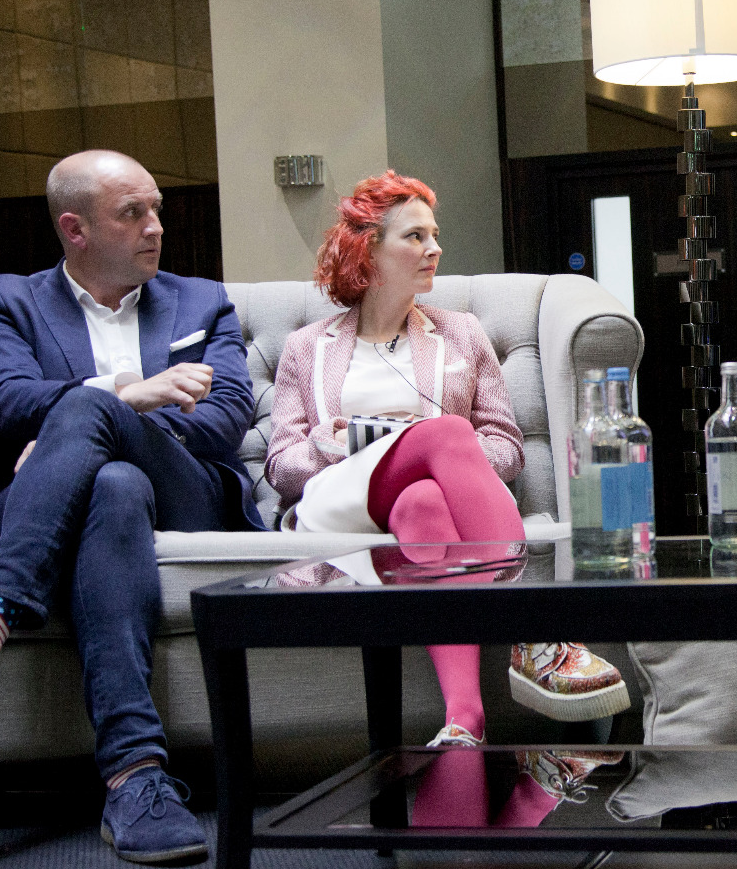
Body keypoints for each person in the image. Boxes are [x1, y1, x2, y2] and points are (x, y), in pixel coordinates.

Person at [0, 150, 263, 865]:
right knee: (113, 484)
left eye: (157, 210)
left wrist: (98, 418)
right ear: (75, 228)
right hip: (91, 503)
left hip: (186, 490)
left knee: (91, 419)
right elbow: (4, 400)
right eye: (132, 213)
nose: (155, 227)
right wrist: (128, 397)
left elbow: (225, 418)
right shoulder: (9, 300)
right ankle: (135, 777)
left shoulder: (200, 300)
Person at [266, 170, 630, 753]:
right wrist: (337, 445)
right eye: (415, 236)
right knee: (446, 432)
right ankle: (534, 634)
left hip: (430, 498)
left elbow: (506, 444)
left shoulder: (461, 334)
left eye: (434, 235)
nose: (434, 248)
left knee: (426, 500)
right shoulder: (307, 347)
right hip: (341, 500)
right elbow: (282, 465)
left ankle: (464, 721)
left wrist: (433, 454)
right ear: (368, 249)